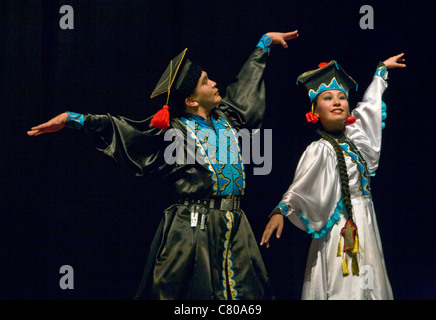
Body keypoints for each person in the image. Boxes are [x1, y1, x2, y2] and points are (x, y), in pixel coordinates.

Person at [27, 31, 299, 300]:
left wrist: (263, 45)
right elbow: (128, 131)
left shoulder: (228, 119)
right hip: (193, 227)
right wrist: (74, 119)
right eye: (206, 81)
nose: (216, 83)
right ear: (191, 100)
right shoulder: (176, 133)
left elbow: (244, 88)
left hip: (233, 224)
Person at [260, 53, 406, 300]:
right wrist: (281, 210)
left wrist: (380, 73)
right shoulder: (320, 149)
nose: (337, 102)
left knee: (371, 283)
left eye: (341, 97)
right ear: (315, 111)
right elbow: (301, 186)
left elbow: (369, 107)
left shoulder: (356, 139)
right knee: (345, 283)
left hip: (365, 221)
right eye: (328, 98)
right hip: (340, 227)